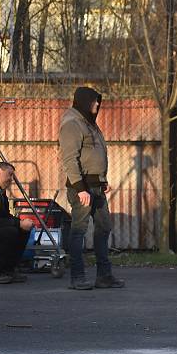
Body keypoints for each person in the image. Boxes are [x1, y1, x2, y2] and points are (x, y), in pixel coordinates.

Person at [59, 86, 124, 290]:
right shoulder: (72, 123)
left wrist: (102, 181)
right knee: (79, 230)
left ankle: (104, 276)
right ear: (84, 101)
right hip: (83, 189)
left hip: (96, 187)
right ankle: (77, 277)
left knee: (104, 227)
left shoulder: (90, 123)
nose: (97, 104)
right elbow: (70, 159)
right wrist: (80, 189)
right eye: (94, 101)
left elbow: (94, 156)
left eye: (98, 100)